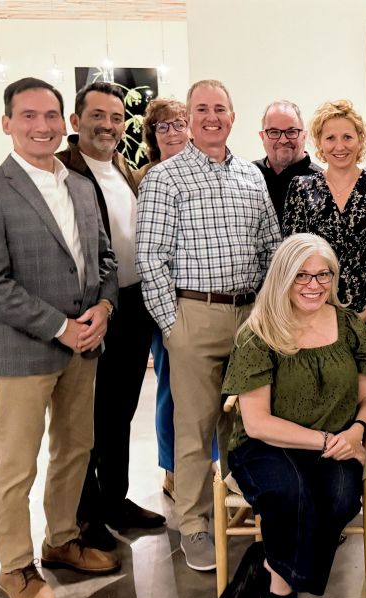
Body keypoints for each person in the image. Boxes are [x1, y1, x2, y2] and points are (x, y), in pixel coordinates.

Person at [137, 79, 282, 572]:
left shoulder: (251, 176)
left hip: (249, 319)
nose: (211, 117)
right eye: (202, 109)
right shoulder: (166, 178)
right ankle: (195, 523)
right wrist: (172, 325)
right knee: (195, 426)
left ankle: (240, 509)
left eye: (220, 108)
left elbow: (271, 246)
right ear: (189, 119)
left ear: (233, 117)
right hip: (194, 315)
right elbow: (150, 257)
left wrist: (268, 315)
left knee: (243, 424)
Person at [217, 233, 366, 598]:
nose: (313, 284)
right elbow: (256, 423)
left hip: (337, 441)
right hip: (268, 445)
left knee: (343, 499)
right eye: (301, 276)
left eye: (322, 275)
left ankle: (266, 561)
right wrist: (326, 438)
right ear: (282, 278)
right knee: (292, 494)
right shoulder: (260, 331)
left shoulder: (346, 325)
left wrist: (358, 431)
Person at [0, 77, 120, 598]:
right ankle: (15, 567)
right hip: (24, 351)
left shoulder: (80, 184)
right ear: (8, 124)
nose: (41, 126)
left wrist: (105, 307)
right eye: (28, 116)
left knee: (74, 449)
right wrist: (59, 326)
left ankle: (61, 539)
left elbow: (106, 260)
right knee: (15, 465)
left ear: (64, 120)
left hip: (84, 346)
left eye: (50, 115)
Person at [56, 81, 165, 551]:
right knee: (82, 421)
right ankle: (83, 517)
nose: (108, 125)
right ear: (76, 122)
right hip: (86, 314)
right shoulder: (61, 171)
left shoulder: (125, 168)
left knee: (119, 411)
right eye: (97, 116)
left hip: (131, 306)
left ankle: (115, 499)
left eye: (117, 118)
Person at [282, 99, 366, 384]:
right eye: (331, 138)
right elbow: (291, 259)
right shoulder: (301, 188)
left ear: (360, 140)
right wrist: (318, 311)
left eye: (348, 137)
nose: (340, 146)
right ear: (319, 144)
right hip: (314, 316)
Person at [133, 97, 215, 501]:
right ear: (153, 134)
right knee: (171, 388)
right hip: (167, 302)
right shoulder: (145, 177)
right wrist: (169, 318)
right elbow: (148, 250)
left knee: (207, 393)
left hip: (202, 305)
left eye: (180, 123)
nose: (174, 132)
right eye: (163, 126)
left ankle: (207, 463)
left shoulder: (204, 172)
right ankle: (172, 468)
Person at [254, 100, 322, 222]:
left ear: (304, 136)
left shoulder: (322, 182)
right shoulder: (250, 176)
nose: (283, 140)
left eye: (291, 132)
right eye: (274, 132)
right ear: (262, 136)